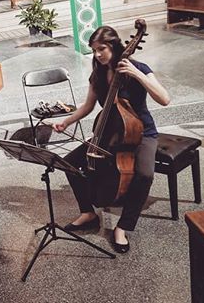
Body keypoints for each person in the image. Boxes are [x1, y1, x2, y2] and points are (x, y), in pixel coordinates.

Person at [52, 26, 170, 254]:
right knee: (68, 162)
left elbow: (164, 99)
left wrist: (136, 74)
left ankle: (123, 226)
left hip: (141, 132)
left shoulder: (139, 68)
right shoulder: (98, 74)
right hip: (108, 133)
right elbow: (88, 106)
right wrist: (66, 122)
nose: (97, 55)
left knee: (145, 174)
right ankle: (87, 212)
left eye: (102, 49)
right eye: (94, 50)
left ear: (115, 46)